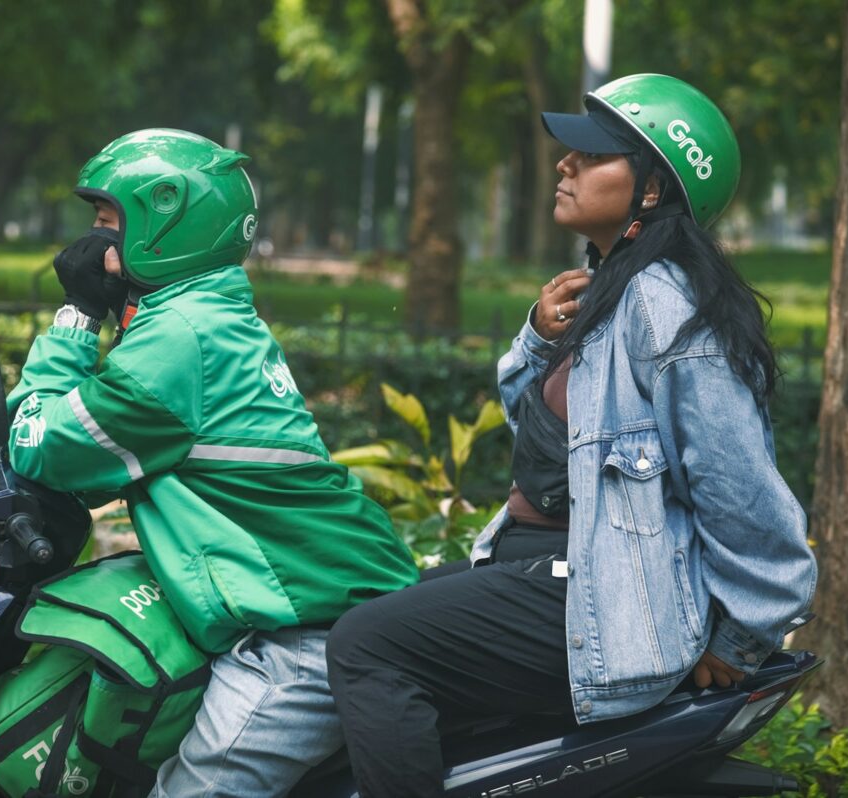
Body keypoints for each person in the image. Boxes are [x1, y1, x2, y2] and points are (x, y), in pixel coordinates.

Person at [325, 73, 818, 796]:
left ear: (650, 190)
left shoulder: (663, 307)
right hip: (549, 567)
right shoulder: (609, 290)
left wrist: (742, 636)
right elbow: (542, 440)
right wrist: (536, 337)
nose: (565, 163)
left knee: (364, 645)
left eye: (591, 155)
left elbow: (742, 490)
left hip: (601, 596)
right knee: (364, 608)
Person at [4, 128, 419, 797]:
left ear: (165, 224)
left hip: (302, 638)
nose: (92, 241)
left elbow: (41, 446)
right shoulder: (202, 316)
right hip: (310, 607)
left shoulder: (179, 341)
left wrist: (78, 315)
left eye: (108, 221)